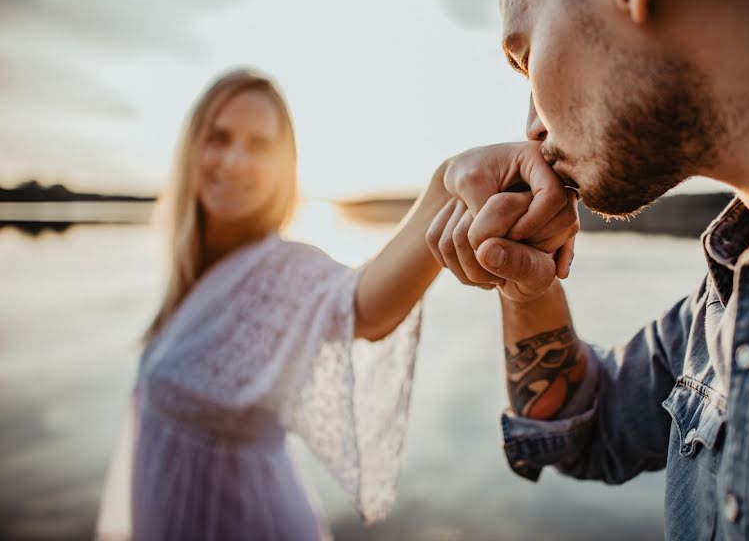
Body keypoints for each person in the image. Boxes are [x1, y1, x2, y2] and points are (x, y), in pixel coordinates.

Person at [429, 0, 749, 539]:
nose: (532, 125)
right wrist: (528, 284)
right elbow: (587, 431)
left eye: (525, 55)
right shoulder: (737, 275)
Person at [94, 68, 574, 540]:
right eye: (219, 138)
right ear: (192, 147)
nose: (235, 160)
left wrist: (447, 182)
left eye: (259, 146)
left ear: (286, 166)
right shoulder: (191, 277)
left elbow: (362, 306)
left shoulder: (280, 270)